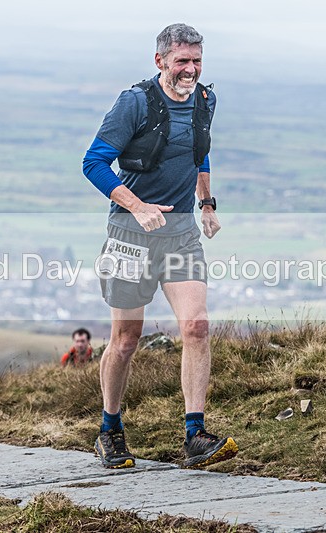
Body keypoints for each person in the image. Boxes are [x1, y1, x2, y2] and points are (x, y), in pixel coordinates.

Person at [82, 23, 236, 469]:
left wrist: (206, 203)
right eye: (182, 61)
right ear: (160, 61)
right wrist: (137, 206)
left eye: (197, 61)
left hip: (181, 233)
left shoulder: (205, 99)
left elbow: (199, 151)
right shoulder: (135, 103)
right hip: (130, 235)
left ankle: (195, 434)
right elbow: (93, 163)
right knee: (126, 338)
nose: (190, 70)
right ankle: (110, 430)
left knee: (197, 326)